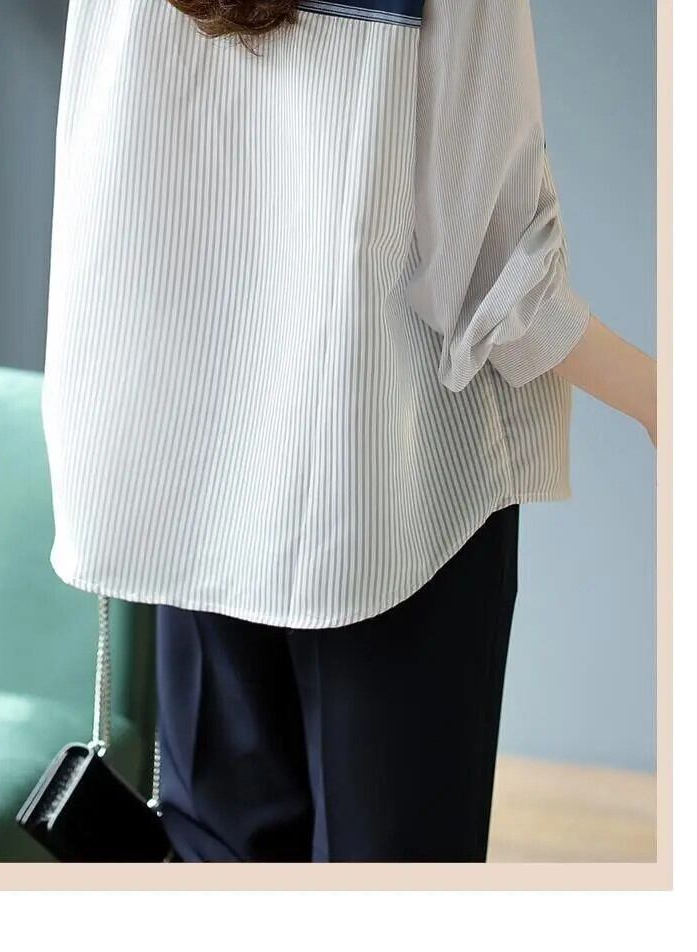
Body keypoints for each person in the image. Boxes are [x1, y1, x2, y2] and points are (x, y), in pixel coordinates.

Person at [41, 0, 657, 862]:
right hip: (385, 494)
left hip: (186, 471)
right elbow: (492, 278)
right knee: (392, 873)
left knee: (225, 867)